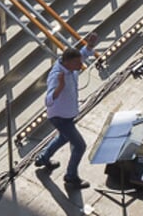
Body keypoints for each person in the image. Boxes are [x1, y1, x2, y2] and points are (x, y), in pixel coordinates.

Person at [35, 34, 99, 189]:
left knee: (63, 138)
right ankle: (71, 176)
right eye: (77, 63)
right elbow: (48, 100)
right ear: (69, 62)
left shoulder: (70, 65)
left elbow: (82, 55)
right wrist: (60, 88)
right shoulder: (57, 76)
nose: (81, 65)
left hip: (67, 114)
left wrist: (89, 45)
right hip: (60, 117)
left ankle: (44, 158)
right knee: (79, 145)